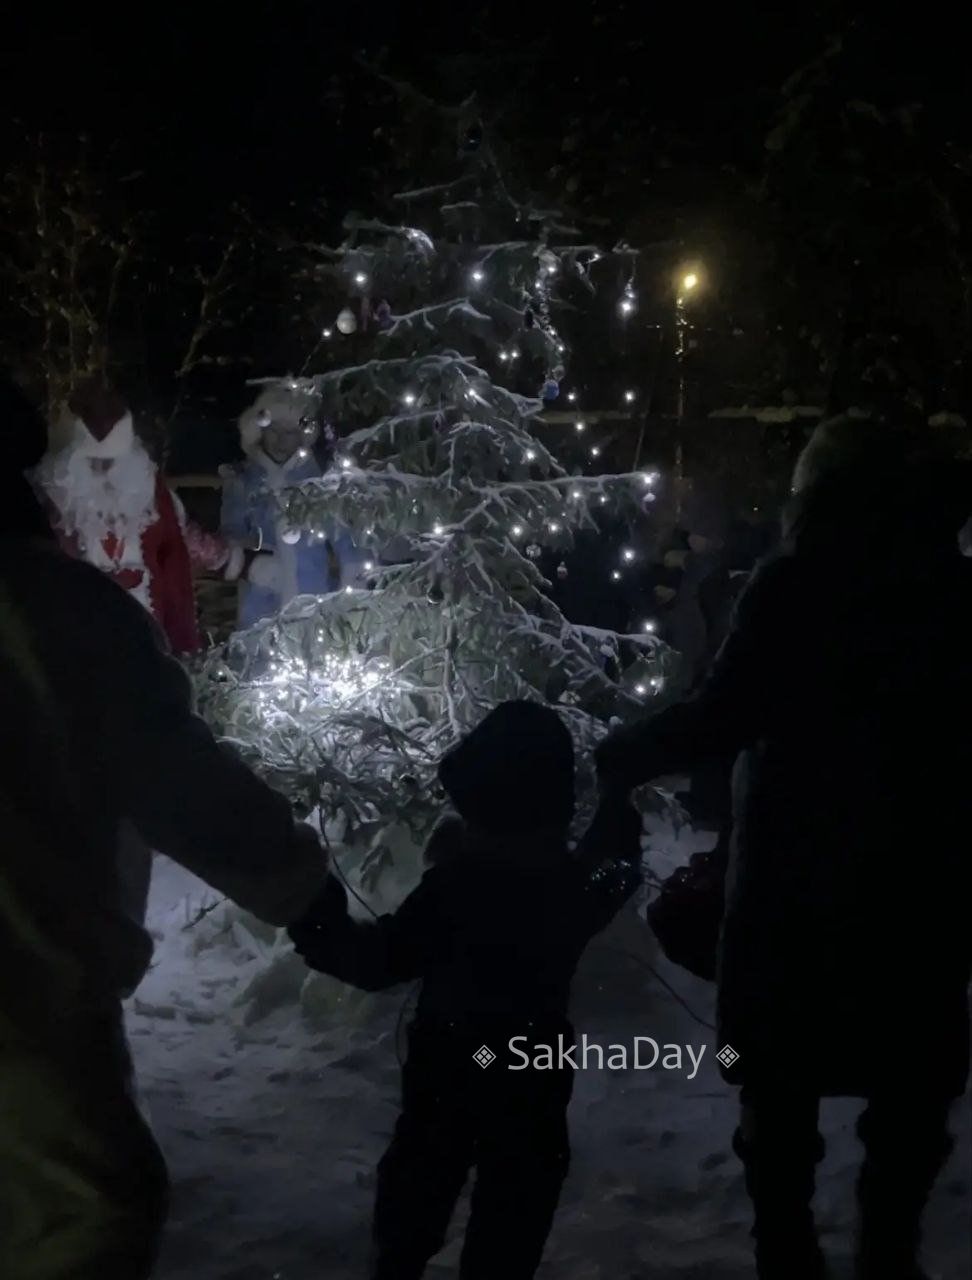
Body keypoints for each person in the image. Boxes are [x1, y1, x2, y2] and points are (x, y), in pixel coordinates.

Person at [596, 415, 972, 1280]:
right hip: (921, 882)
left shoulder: (798, 586)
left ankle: (787, 1250)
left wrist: (626, 753)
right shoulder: (956, 590)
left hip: (800, 877)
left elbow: (725, 712)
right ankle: (889, 1250)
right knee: (909, 1088)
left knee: (780, 1078)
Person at [0, 372, 327, 1280]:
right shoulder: (61, 610)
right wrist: (303, 889)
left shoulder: (71, 596)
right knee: (83, 1219)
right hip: (32, 1019)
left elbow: (189, 548)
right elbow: (177, 775)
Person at [290, 700, 642, 1280]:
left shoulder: (457, 888)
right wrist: (618, 802)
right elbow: (616, 868)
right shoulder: (569, 884)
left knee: (420, 1185)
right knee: (518, 1198)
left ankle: (398, 1265)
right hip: (534, 1061)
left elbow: (380, 960)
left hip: (451, 1059)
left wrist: (314, 915)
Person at [33, 379, 232, 654]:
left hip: (148, 634)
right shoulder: (53, 500)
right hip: (79, 640)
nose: (104, 471)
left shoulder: (150, 492)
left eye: (112, 462)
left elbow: (175, 564)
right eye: (92, 463)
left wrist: (183, 644)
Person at [220, 382, 364, 628]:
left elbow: (348, 543)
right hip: (260, 605)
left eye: (290, 433)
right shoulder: (243, 482)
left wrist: (350, 594)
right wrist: (252, 564)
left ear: (302, 436)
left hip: (311, 604)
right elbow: (230, 535)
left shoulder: (319, 485)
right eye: (274, 430)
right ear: (260, 430)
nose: (281, 440)